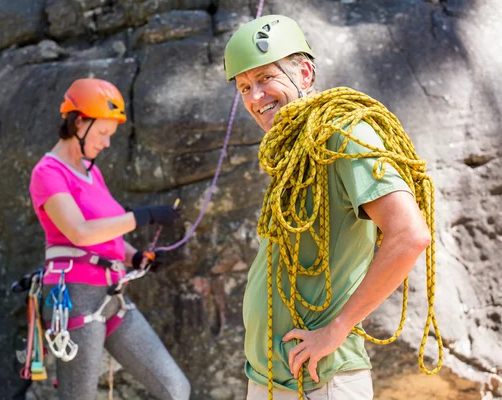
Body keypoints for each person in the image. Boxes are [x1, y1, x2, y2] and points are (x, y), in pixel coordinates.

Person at [224, 15, 432, 400]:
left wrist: (336, 330)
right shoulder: (296, 149)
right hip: (272, 378)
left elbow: (410, 234)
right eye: (244, 87)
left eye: (266, 78)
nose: (255, 97)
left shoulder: (341, 132)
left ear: (303, 72)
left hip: (321, 382)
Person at [29, 78, 191, 400]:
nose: (106, 143)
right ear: (79, 122)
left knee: (175, 389)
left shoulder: (92, 173)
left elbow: (106, 232)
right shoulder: (48, 173)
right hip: (74, 296)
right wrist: (143, 216)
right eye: (102, 133)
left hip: (111, 296)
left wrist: (135, 257)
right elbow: (80, 232)